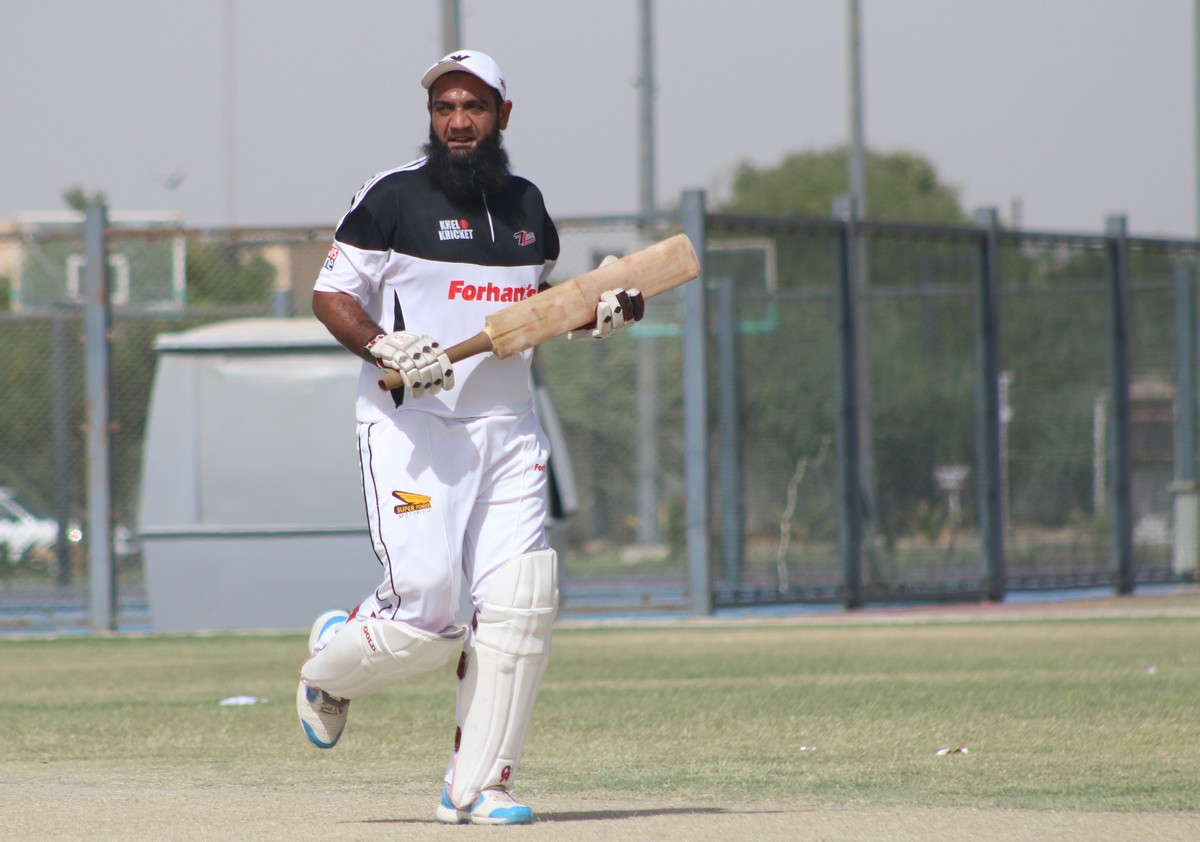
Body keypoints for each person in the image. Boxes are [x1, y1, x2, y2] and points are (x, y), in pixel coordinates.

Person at [294, 49, 644, 826]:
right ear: (430, 116)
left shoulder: (527, 207)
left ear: (502, 116)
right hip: (411, 427)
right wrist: (383, 345)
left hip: (507, 429)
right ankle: (329, 669)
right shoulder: (390, 197)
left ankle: (480, 785)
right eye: (445, 107)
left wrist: (594, 313)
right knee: (427, 618)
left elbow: (531, 310)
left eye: (474, 107)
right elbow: (332, 294)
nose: (458, 121)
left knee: (523, 603)